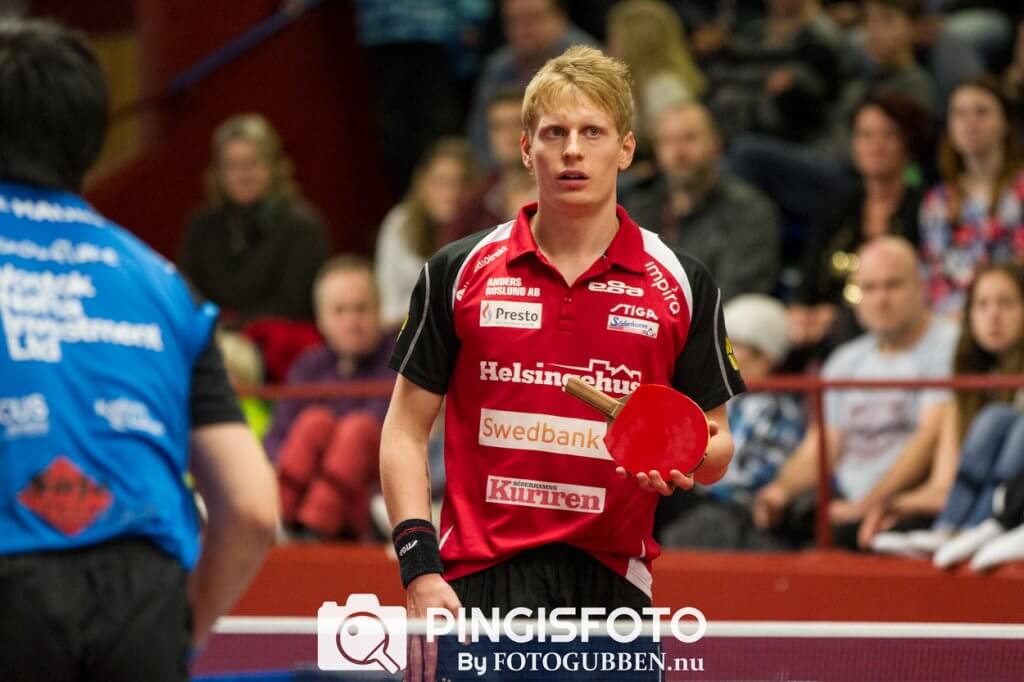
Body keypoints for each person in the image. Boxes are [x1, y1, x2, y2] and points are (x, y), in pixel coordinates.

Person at [380, 44, 743, 656]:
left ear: (626, 149)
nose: (573, 149)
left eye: (592, 132)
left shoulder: (681, 282)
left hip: (614, 588)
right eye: (555, 132)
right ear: (527, 148)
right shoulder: (457, 270)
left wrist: (686, 453)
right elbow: (404, 430)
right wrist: (418, 565)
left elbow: (717, 444)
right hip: (475, 584)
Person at [0, 19, 278, 682]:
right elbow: (251, 507)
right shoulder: (162, 283)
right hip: (143, 604)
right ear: (93, 137)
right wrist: (183, 631)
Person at [753, 237, 959, 549]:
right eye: (869, 288)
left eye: (892, 285)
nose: (880, 299)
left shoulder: (950, 344)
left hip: (909, 502)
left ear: (920, 287)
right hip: (847, 500)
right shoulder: (845, 360)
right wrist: (780, 490)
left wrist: (869, 504)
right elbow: (824, 444)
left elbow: (929, 438)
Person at [864, 263, 1024, 554]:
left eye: (1006, 303)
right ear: (969, 315)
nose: (993, 316)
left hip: (1013, 514)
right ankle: (950, 529)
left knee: (1002, 419)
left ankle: (982, 527)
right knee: (993, 418)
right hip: (960, 514)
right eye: (982, 305)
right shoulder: (966, 386)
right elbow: (946, 485)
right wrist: (889, 504)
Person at [788, 93, 930, 361]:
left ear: (908, 143)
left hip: (891, 322)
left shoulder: (925, 207)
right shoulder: (836, 205)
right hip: (822, 325)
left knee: (845, 326)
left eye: (888, 135)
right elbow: (809, 275)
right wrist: (801, 311)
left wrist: (840, 314)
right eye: (865, 135)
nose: (876, 145)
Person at [658, 295, 804, 550]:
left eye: (734, 345)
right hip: (693, 495)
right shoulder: (716, 396)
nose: (722, 352)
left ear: (764, 357)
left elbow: (748, 478)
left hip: (733, 507)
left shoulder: (779, 410)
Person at [266, 256, 395, 541]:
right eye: (339, 311)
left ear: (379, 311)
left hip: (371, 501)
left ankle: (311, 527)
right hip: (299, 500)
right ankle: (277, 520)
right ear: (321, 320)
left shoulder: (401, 361)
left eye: (361, 309)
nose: (352, 321)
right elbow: (277, 438)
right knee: (314, 423)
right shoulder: (307, 366)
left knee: (358, 430)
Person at [177, 113, 331, 329]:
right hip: (214, 337)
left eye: (252, 163)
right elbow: (186, 294)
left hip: (279, 340)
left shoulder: (302, 227)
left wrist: (230, 329)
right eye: (232, 165)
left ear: (275, 167)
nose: (243, 175)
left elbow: (292, 307)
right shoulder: (201, 226)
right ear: (218, 173)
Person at [622, 101, 781, 301]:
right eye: (668, 141)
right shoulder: (639, 208)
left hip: (717, 316)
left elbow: (736, 291)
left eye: (689, 138)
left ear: (716, 145)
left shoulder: (749, 211)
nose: (679, 152)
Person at [918, 75, 1024, 317]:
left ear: (1006, 122)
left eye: (982, 112)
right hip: (947, 321)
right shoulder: (937, 200)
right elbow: (930, 276)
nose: (970, 122)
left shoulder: (1020, 189)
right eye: (960, 114)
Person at [467, 0, 599, 167]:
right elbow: (481, 135)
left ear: (559, 18)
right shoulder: (498, 67)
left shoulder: (587, 62)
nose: (524, 28)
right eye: (514, 20)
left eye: (534, 17)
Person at [374, 137, 479, 329]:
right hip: (402, 331)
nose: (451, 193)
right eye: (441, 182)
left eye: (461, 183)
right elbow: (388, 304)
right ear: (422, 184)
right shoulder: (400, 223)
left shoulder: (485, 233)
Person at [446, 87, 536, 242]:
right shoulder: (475, 205)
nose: (508, 134)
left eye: (517, 124)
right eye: (498, 127)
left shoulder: (562, 196)